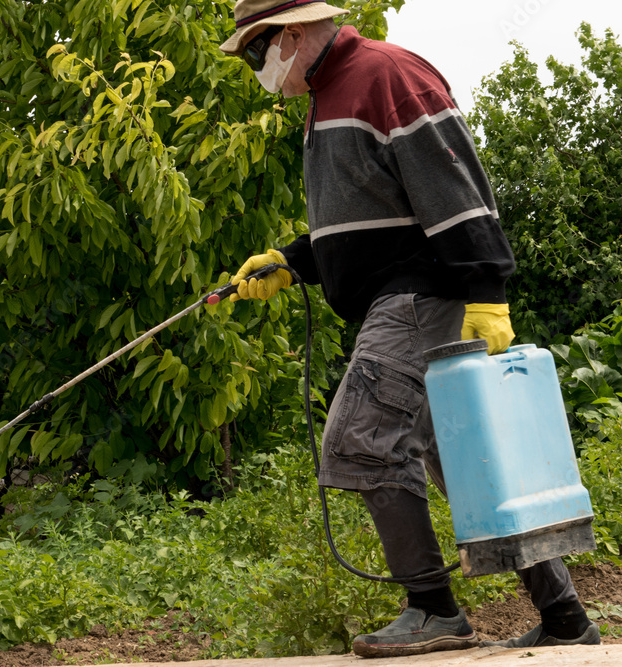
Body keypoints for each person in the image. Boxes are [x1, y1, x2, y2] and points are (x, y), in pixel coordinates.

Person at [218, 0, 601, 658]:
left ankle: (432, 608)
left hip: (422, 293)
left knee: (364, 439)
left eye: (258, 50)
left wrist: (487, 286)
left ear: (295, 32)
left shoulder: (387, 75)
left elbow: (455, 184)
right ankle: (564, 614)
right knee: (459, 454)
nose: (257, 66)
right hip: (395, 296)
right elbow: (367, 218)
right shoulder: (326, 95)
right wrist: (293, 260)